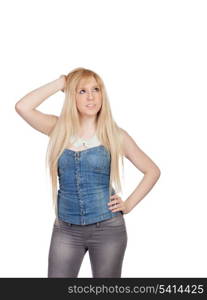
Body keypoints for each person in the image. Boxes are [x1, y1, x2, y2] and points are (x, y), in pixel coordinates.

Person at [15, 67, 161, 278]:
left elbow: (152, 171)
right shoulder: (58, 128)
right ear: (71, 95)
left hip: (108, 229)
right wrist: (60, 83)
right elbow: (22, 107)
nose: (91, 96)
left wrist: (128, 205)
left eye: (96, 89)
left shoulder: (115, 135)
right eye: (82, 91)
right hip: (66, 230)